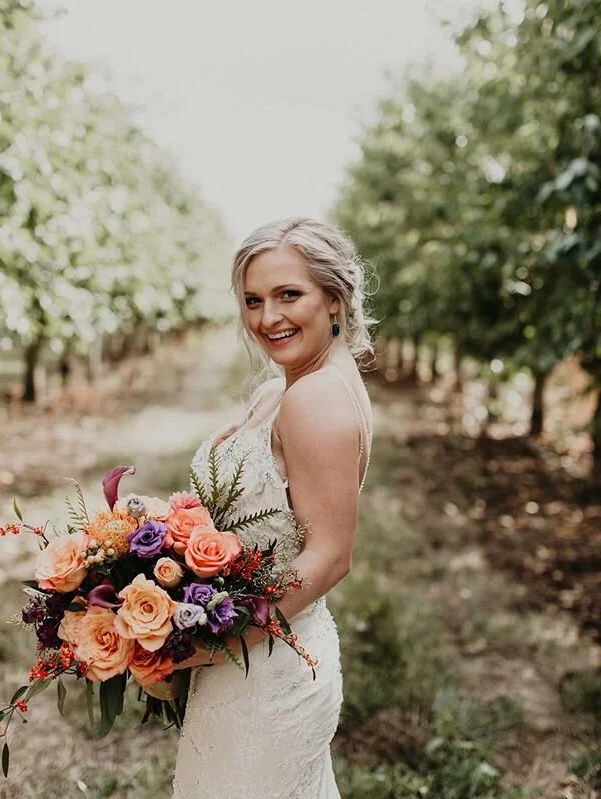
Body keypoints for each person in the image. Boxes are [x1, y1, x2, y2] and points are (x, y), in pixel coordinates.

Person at [171, 217, 374, 799]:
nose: (268, 318)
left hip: (266, 664)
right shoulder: (289, 389)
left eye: (290, 295)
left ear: (334, 298)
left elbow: (331, 558)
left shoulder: (314, 399)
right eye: (254, 300)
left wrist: (203, 644)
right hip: (265, 651)